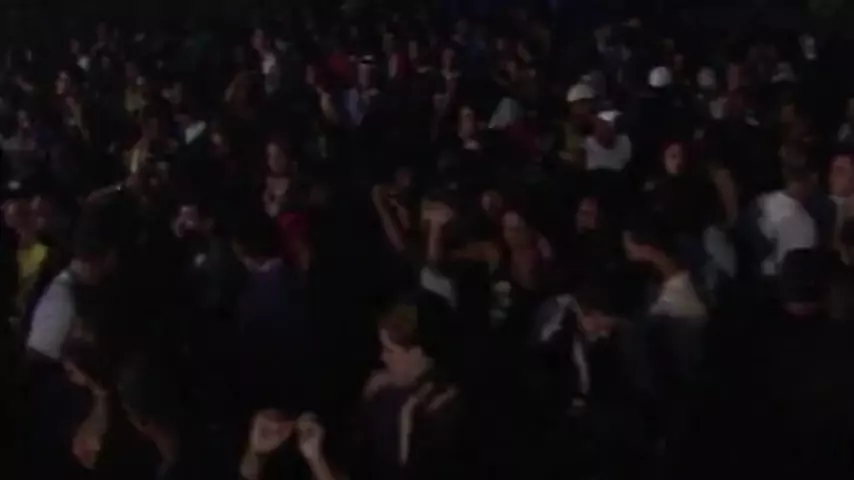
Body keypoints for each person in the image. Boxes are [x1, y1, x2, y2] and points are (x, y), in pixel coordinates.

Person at [358, 301, 462, 480]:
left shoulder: (440, 408)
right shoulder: (386, 391)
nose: (383, 357)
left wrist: (407, 424)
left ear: (418, 353)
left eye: (390, 351)